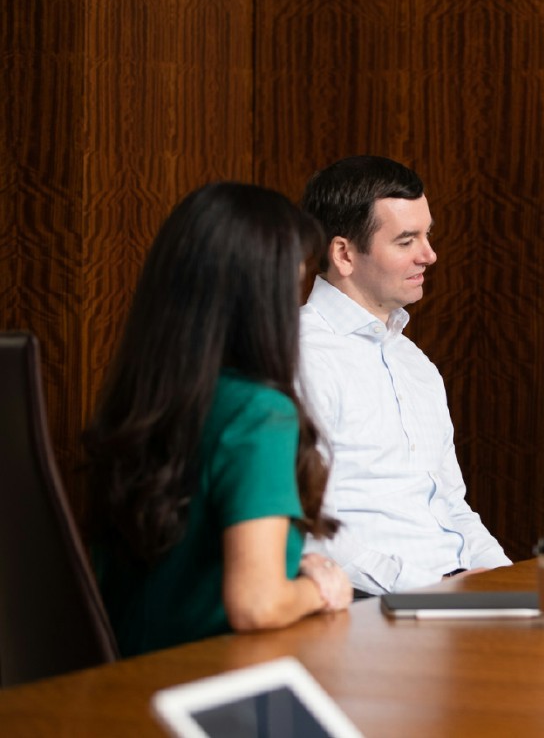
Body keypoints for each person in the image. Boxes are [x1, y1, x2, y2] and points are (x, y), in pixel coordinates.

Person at [86, 183, 352, 657]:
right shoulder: (258, 413)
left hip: (121, 683)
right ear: (262, 298)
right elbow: (257, 604)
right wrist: (323, 589)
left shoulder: (144, 400)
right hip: (213, 684)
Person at [297, 155, 509, 595]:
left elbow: (452, 506)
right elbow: (310, 530)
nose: (429, 255)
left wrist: (508, 581)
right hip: (376, 609)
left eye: (426, 235)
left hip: (449, 600)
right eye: (406, 240)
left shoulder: (414, 364)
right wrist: (435, 591)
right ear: (343, 254)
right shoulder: (303, 356)